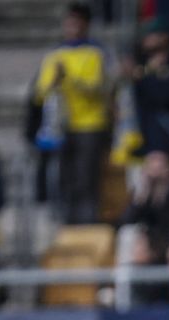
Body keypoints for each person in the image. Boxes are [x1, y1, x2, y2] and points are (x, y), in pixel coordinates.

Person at [33, 2, 111, 224]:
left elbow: (96, 87)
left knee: (87, 177)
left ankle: (88, 224)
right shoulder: (55, 55)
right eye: (68, 23)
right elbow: (40, 94)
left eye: (76, 23)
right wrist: (54, 82)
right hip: (62, 126)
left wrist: (71, 79)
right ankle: (67, 224)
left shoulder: (95, 53)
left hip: (90, 124)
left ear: (85, 25)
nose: (71, 27)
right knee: (64, 178)